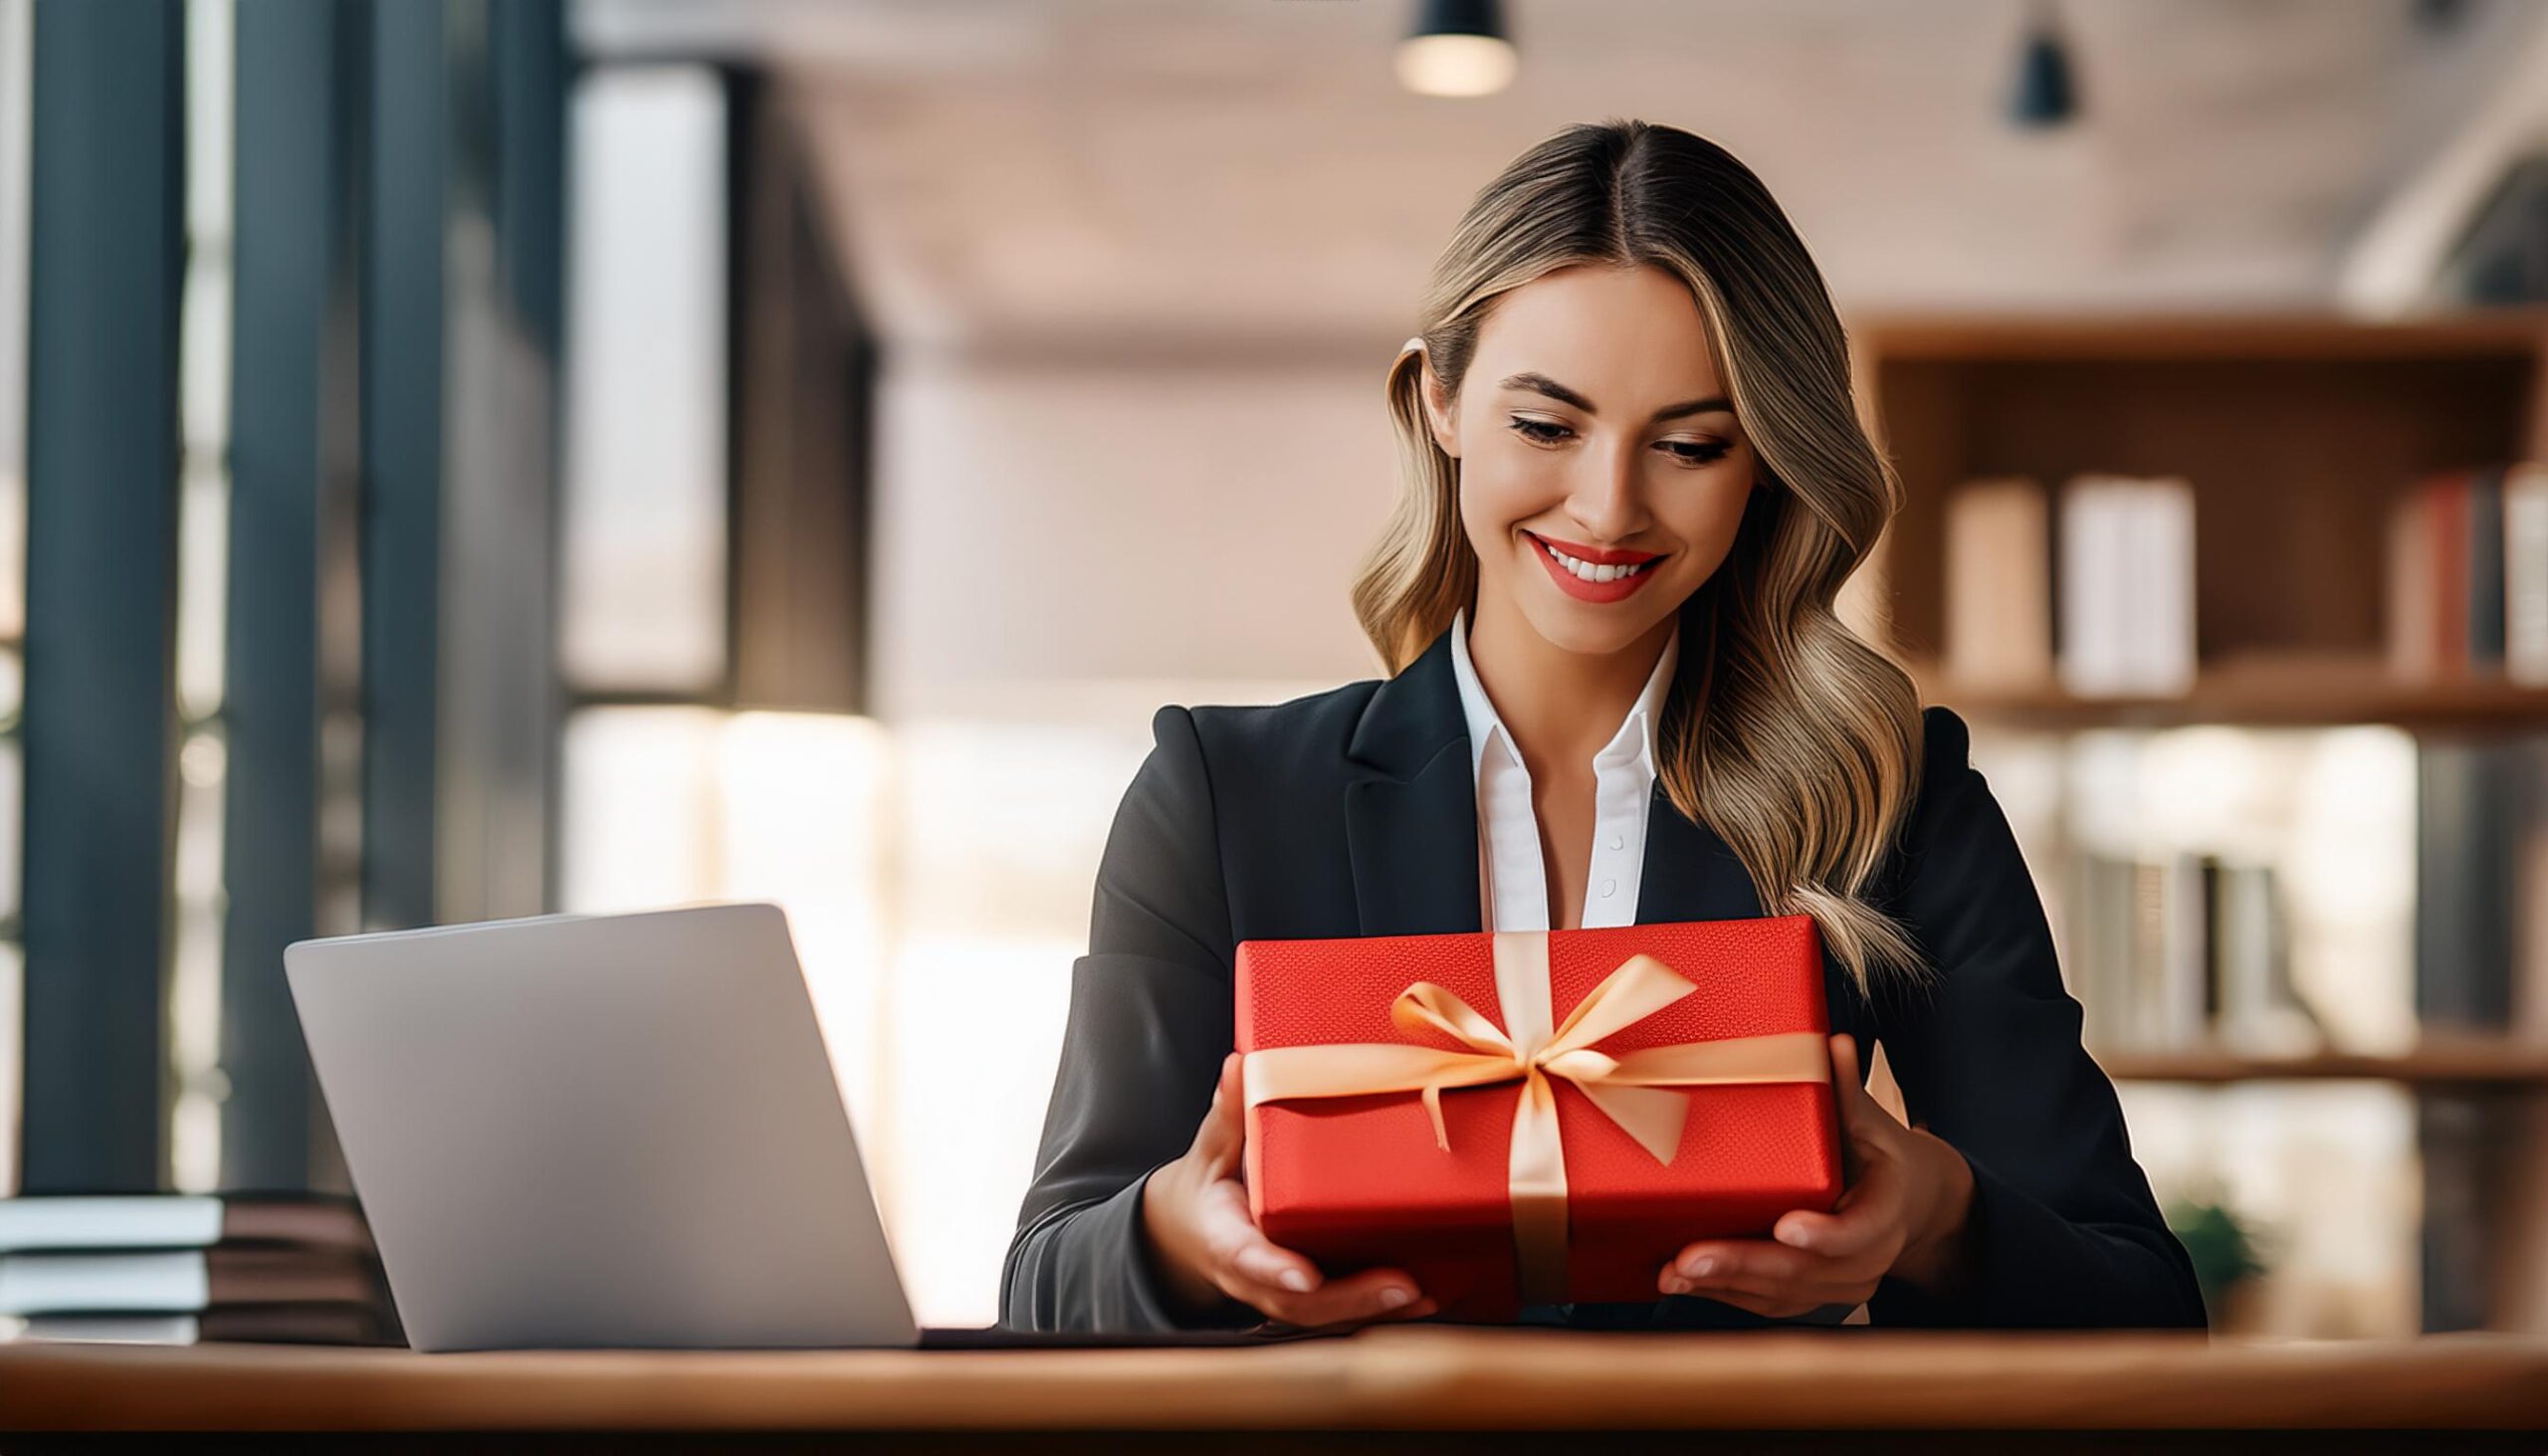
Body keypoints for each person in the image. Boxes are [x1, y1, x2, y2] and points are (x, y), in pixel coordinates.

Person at [998, 118, 2208, 1337]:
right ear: (1440, 402)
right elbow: (1043, 1283)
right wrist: (1174, 1229)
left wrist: (1935, 1214)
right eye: (1546, 426)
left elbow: (2146, 1306)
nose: (1610, 506)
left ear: (1767, 465)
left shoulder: (1891, 796)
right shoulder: (1222, 795)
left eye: (1690, 444)